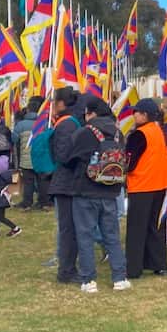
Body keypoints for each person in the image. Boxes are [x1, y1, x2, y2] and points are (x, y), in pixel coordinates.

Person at [67, 95, 129, 293]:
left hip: (85, 191)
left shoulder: (84, 133)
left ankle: (89, 280)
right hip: (110, 190)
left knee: (85, 236)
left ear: (90, 113)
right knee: (112, 235)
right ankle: (119, 278)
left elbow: (69, 158)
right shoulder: (118, 133)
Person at [123, 98, 167, 279]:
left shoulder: (139, 134)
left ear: (145, 115)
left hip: (141, 185)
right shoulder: (161, 131)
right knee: (156, 227)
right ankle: (159, 264)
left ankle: (134, 268)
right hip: (160, 184)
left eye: (136, 112)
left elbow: (129, 162)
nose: (134, 115)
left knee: (136, 228)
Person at [48, 88, 85, 282]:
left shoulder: (66, 124)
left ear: (61, 103)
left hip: (66, 182)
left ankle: (68, 268)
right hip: (66, 183)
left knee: (70, 229)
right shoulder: (68, 124)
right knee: (68, 229)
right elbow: (64, 156)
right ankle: (66, 271)